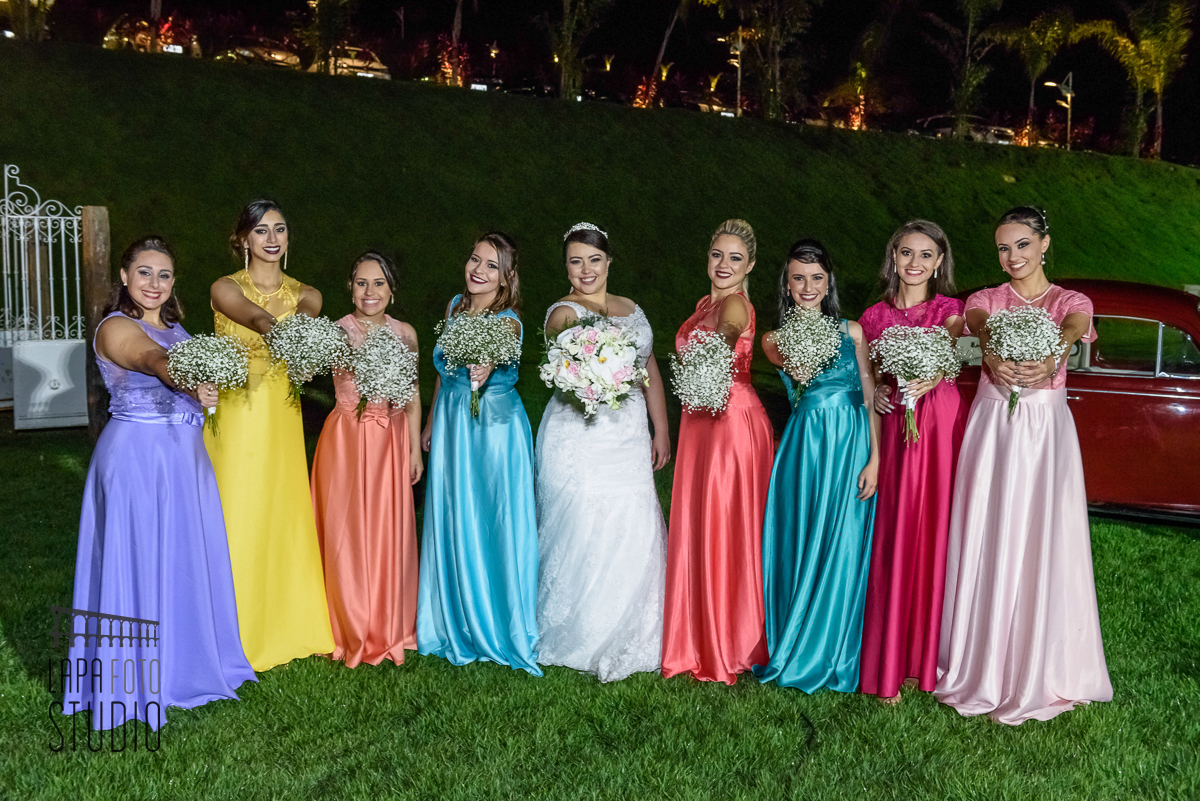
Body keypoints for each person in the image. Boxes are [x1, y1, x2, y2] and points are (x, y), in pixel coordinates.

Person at [65, 237, 255, 730]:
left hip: (183, 460)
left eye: (164, 275)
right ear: (124, 277)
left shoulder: (174, 326)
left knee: (182, 560)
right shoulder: (115, 328)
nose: (154, 284)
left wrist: (208, 384)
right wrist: (188, 375)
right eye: (144, 273)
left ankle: (181, 663)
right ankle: (130, 679)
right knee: (138, 557)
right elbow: (152, 360)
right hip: (138, 460)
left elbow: (176, 359)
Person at [935, 206, 1112, 725]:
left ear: (1044, 244)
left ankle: (1043, 662)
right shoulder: (986, 298)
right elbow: (979, 323)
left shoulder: (1069, 300)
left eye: (1021, 245)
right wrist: (994, 351)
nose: (1012, 257)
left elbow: (1079, 324)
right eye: (1003, 248)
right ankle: (979, 662)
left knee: (1041, 533)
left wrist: (1054, 351)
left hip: (1045, 431)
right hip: (994, 428)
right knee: (989, 528)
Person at [535, 222, 670, 682]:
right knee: (582, 524)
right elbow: (567, 359)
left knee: (632, 521)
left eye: (594, 260)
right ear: (566, 267)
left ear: (609, 261)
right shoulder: (563, 313)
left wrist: (662, 429)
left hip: (628, 433)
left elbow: (648, 364)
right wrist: (596, 374)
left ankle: (631, 624)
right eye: (576, 261)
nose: (586, 270)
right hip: (581, 434)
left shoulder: (631, 307)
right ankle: (578, 630)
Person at [205, 199, 335, 671]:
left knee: (281, 513)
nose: (272, 238)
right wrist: (273, 327)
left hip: (280, 420)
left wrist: (299, 333)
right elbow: (250, 314)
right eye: (261, 231)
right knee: (237, 511)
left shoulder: (309, 295)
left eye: (279, 229)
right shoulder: (223, 288)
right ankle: (232, 630)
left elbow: (305, 314)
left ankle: (291, 625)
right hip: (236, 417)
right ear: (243, 239)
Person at [753, 239, 880, 693]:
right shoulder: (773, 339)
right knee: (804, 538)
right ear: (786, 286)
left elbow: (868, 395)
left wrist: (875, 458)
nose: (808, 287)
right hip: (808, 447)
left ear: (830, 283)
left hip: (851, 446)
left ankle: (836, 648)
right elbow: (804, 370)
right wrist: (803, 330)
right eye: (798, 279)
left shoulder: (854, 331)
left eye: (817, 278)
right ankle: (797, 643)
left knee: (844, 542)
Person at [417, 232, 541, 675]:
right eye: (474, 259)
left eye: (491, 265)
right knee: (453, 513)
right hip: (453, 420)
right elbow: (442, 369)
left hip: (492, 428)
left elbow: (493, 357)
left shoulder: (508, 321)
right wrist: (431, 420)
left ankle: (496, 617)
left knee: (493, 518)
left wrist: (486, 365)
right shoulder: (454, 306)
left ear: (507, 277)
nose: (478, 270)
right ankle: (453, 614)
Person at [858, 221, 967, 704]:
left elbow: (949, 347)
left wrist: (933, 369)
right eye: (906, 253)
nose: (915, 262)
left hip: (936, 421)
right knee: (892, 531)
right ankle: (888, 659)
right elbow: (872, 375)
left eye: (926, 254)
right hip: (892, 428)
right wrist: (881, 388)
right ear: (893, 257)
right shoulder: (873, 316)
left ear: (940, 261)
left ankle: (926, 658)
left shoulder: (951, 310)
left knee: (931, 530)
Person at [661, 219, 774, 685]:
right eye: (716, 255)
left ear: (750, 265)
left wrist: (719, 348)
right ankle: (697, 633)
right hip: (700, 422)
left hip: (730, 425)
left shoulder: (734, 306)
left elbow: (729, 329)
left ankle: (727, 642)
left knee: (727, 529)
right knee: (701, 524)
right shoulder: (703, 303)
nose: (723, 265)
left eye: (734, 258)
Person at [310, 252, 422, 668]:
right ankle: (350, 623)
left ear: (392, 290)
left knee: (387, 529)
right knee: (348, 529)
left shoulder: (406, 333)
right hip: (348, 437)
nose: (369, 291)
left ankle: (389, 621)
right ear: (350, 287)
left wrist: (413, 449)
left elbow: (411, 394)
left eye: (378, 283)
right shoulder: (338, 332)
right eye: (361, 283)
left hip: (390, 438)